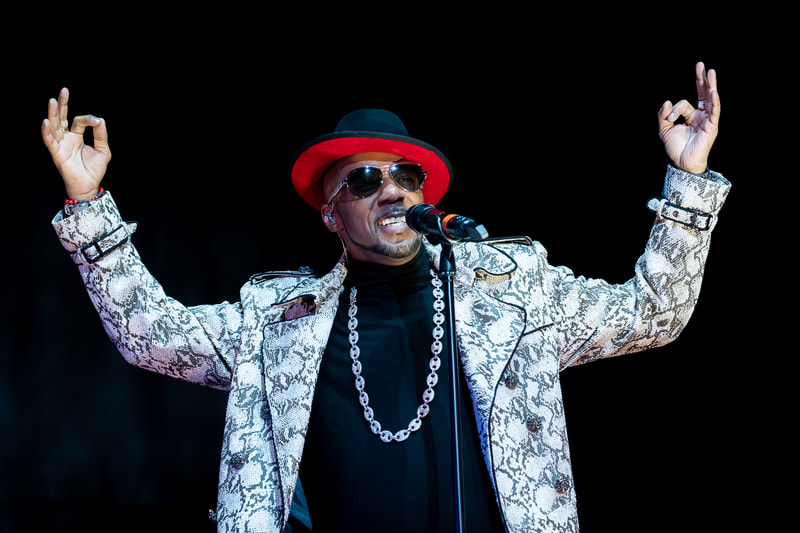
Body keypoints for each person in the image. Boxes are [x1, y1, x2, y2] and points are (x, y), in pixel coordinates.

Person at [42, 62, 730, 532]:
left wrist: (689, 179)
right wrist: (86, 199)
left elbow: (653, 313)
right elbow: (150, 336)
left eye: (405, 175)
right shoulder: (279, 324)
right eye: (366, 181)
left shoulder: (512, 294)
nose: (393, 190)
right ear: (331, 213)